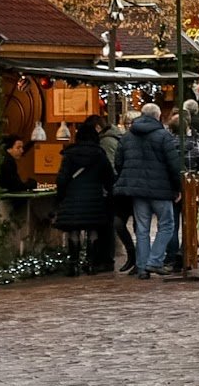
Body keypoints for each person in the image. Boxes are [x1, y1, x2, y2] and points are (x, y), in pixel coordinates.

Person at [112, 102, 185, 279]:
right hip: (161, 189)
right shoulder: (163, 136)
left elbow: (118, 162)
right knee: (167, 225)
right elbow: (174, 164)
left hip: (137, 190)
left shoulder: (128, 136)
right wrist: (177, 187)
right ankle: (155, 261)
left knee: (142, 229)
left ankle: (143, 266)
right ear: (158, 116)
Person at [53, 116, 116, 274]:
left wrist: (61, 196)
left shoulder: (69, 154)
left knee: (74, 231)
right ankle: (90, 263)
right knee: (93, 231)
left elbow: (62, 178)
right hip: (94, 199)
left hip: (73, 198)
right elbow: (109, 177)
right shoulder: (99, 154)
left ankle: (73, 264)